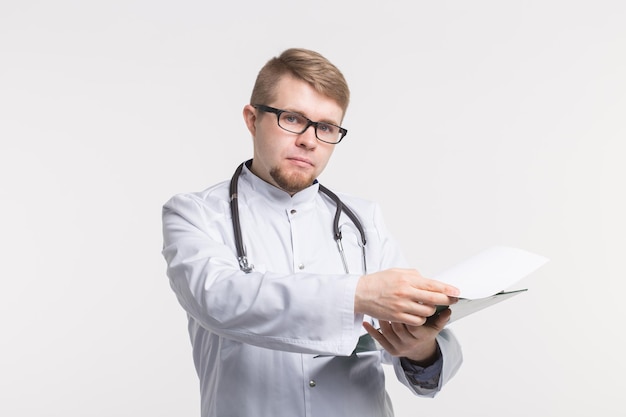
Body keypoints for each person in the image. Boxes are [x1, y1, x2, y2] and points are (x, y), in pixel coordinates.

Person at [161, 47, 463, 417]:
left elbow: (408, 346)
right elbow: (219, 298)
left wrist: (418, 347)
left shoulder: (364, 221)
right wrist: (360, 293)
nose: (309, 140)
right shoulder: (195, 213)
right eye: (292, 118)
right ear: (252, 119)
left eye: (326, 127)